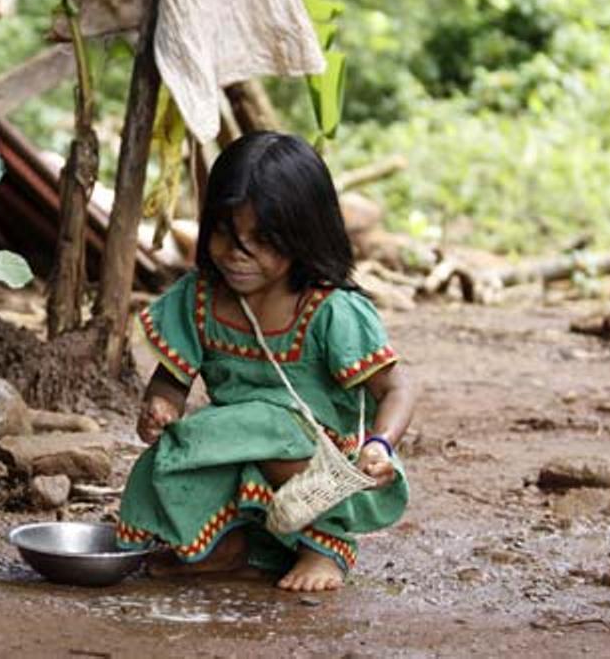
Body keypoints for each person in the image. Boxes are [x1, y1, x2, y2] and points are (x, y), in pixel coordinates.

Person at [116, 131, 416, 592]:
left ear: (302, 234)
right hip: (232, 441)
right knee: (172, 455)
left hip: (315, 461)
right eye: (225, 233)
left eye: (261, 239)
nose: (238, 253)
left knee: (271, 430)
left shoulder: (329, 310)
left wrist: (381, 444)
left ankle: (326, 546)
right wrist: (161, 407)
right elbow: (170, 381)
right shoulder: (199, 299)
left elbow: (396, 388)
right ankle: (235, 549)